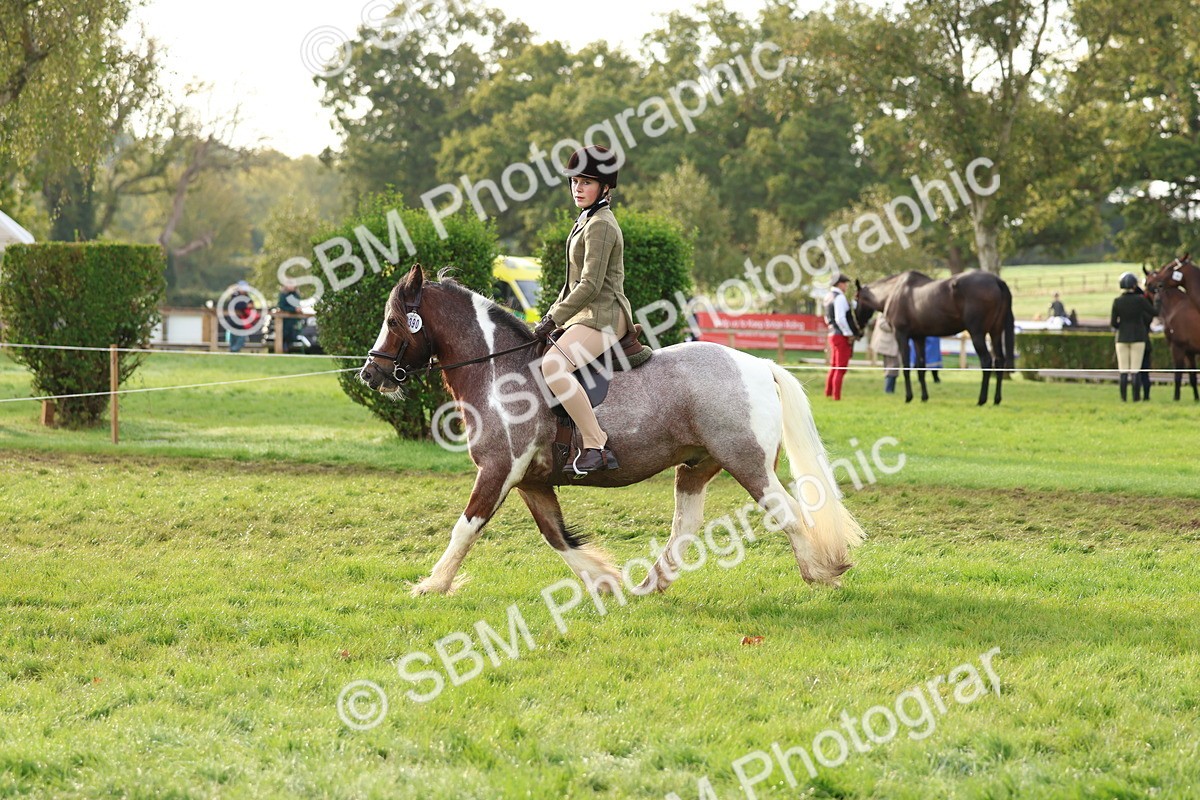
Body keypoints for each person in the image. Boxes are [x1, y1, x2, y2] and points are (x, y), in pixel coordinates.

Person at [533, 145, 634, 476]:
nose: (578, 188)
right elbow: (571, 283)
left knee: (552, 365)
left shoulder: (601, 224)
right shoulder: (586, 219)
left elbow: (589, 285)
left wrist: (554, 318)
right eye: (575, 181)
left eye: (586, 182)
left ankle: (596, 445)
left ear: (605, 187)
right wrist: (549, 316)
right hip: (585, 316)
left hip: (604, 317)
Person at [1110, 272, 1156, 401]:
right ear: (1134, 285)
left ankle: (1123, 398)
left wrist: (1123, 327)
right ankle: (1136, 398)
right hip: (1138, 337)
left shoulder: (1117, 301)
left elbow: (1113, 323)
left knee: (1123, 370)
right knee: (1135, 370)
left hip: (1122, 337)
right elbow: (1154, 312)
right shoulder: (1140, 300)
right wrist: (1157, 301)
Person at [824, 273, 861, 400]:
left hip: (832, 333)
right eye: (845, 283)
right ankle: (836, 397)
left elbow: (827, 318)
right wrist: (848, 333)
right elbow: (840, 318)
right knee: (841, 368)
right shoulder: (839, 297)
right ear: (840, 284)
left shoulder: (828, 296)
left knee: (834, 366)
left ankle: (828, 392)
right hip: (840, 335)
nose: (846, 286)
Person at [870, 316, 900, 394]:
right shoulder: (884, 310)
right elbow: (882, 324)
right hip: (887, 343)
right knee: (892, 366)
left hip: (892, 343)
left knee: (893, 366)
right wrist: (897, 326)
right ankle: (888, 390)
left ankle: (890, 389)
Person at [277, 281, 304, 352]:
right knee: (285, 334)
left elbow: (296, 304)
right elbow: (282, 306)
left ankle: (289, 348)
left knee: (293, 334)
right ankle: (283, 348)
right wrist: (293, 309)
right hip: (285, 319)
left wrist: (298, 309)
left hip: (293, 319)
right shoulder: (284, 295)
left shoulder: (296, 294)